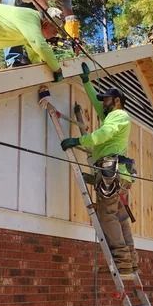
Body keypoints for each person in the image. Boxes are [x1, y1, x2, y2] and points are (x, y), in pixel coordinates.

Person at [61, 63, 139, 275]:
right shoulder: (112, 115)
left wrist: (78, 139)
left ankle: (122, 261)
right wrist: (86, 82)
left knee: (107, 215)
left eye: (106, 100)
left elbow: (102, 135)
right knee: (120, 217)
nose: (102, 103)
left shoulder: (118, 116)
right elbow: (96, 102)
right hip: (119, 174)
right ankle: (130, 260)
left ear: (116, 101)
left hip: (111, 173)